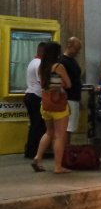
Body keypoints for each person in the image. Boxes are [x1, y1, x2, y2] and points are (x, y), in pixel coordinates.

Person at [30, 41, 72, 174]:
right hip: (58, 105)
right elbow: (68, 84)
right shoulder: (58, 66)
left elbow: (43, 84)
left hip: (45, 103)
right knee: (60, 136)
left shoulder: (42, 66)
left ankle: (38, 157)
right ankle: (58, 167)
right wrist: (61, 84)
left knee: (49, 132)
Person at [24, 42, 47, 159]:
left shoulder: (32, 62)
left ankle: (30, 150)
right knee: (38, 126)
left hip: (29, 95)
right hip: (36, 96)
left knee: (34, 125)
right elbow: (42, 82)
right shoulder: (39, 64)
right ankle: (34, 152)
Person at [59, 37, 83, 143]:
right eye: (76, 49)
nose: (78, 52)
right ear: (69, 45)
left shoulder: (73, 61)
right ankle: (64, 151)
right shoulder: (62, 61)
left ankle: (66, 151)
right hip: (68, 98)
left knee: (71, 127)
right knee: (67, 127)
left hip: (74, 97)